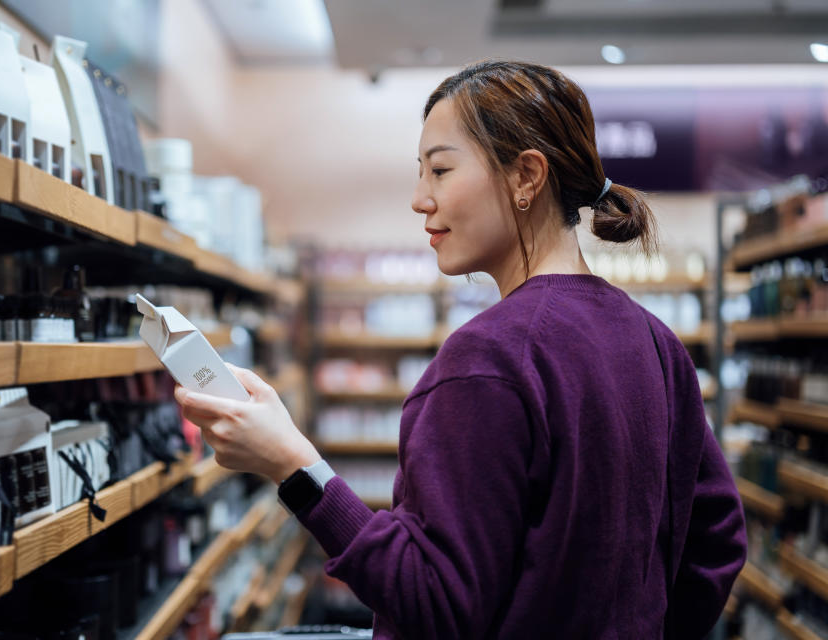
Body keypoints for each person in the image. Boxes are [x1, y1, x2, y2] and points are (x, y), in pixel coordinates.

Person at [174, 60, 747, 639]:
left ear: (527, 177)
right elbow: (717, 541)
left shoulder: (490, 360)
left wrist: (291, 464)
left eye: (441, 170)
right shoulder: (655, 341)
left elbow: (434, 604)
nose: (420, 199)